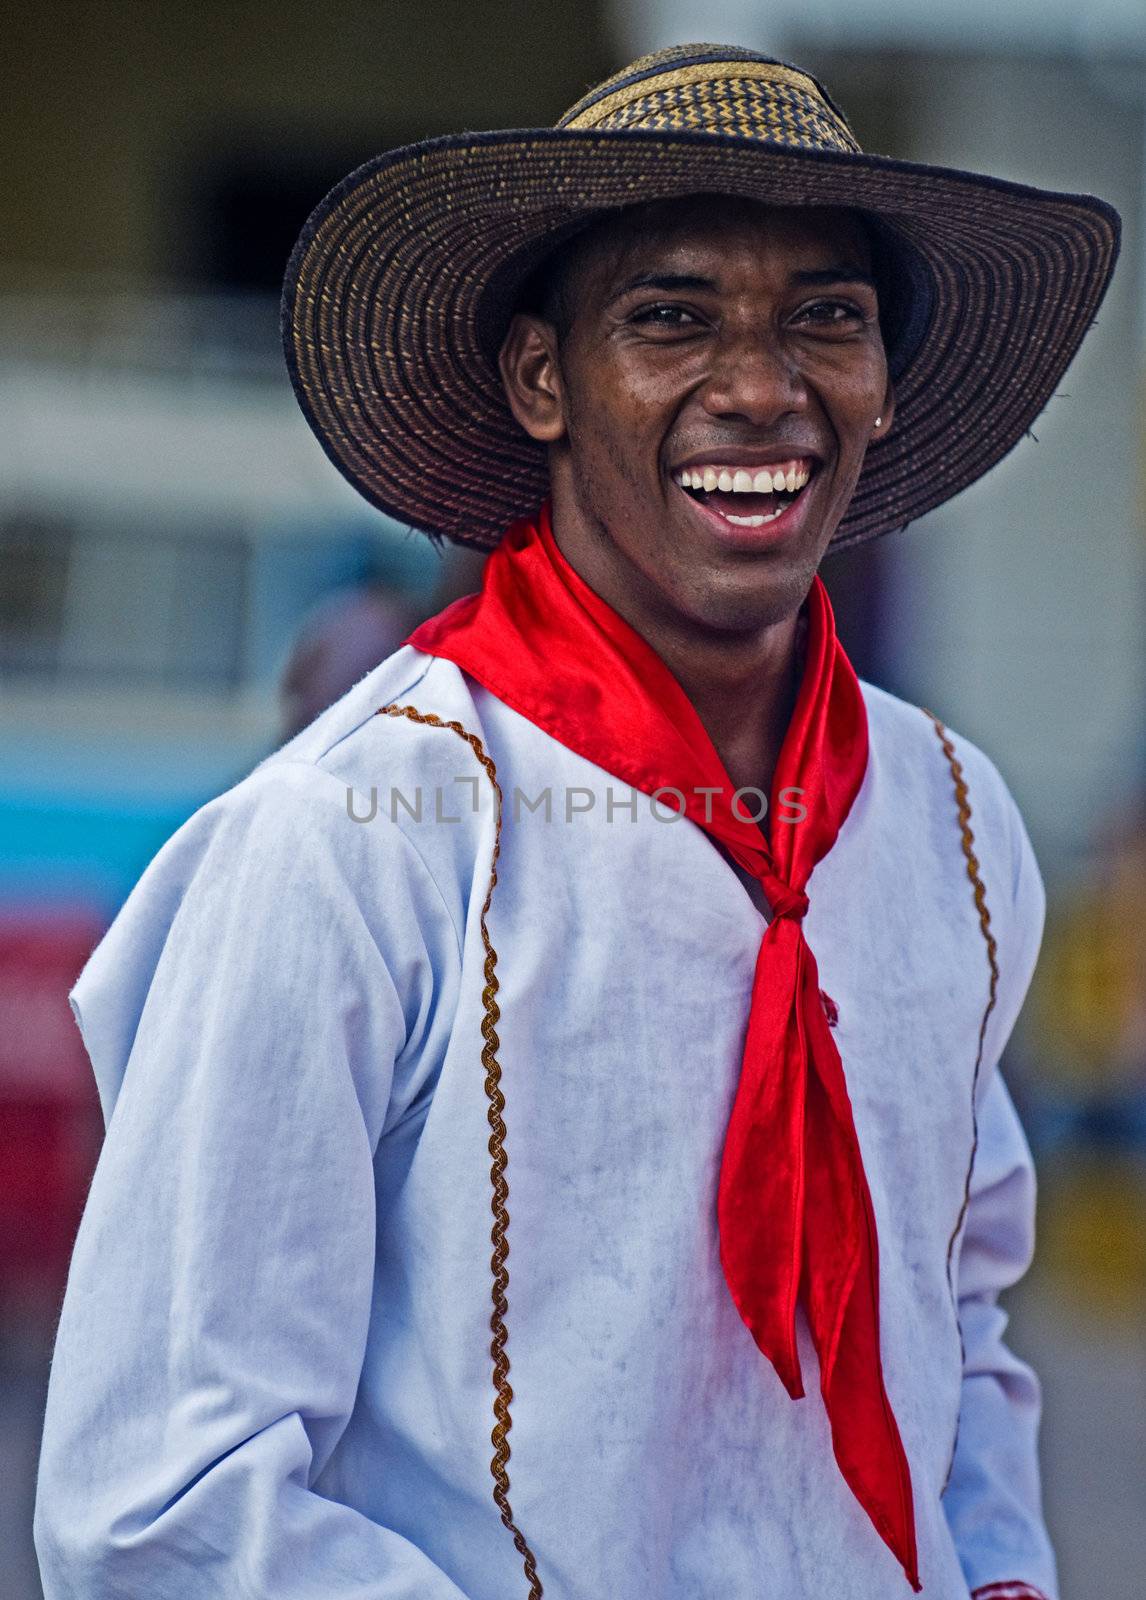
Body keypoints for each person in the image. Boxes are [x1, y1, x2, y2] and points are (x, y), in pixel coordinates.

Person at [34, 43, 1119, 1600]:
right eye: (669, 317)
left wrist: (999, 1570)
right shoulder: (353, 839)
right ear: (541, 379)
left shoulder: (949, 817)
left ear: (884, 384)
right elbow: (155, 1505)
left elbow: (954, 1322)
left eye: (828, 315)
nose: (761, 386)